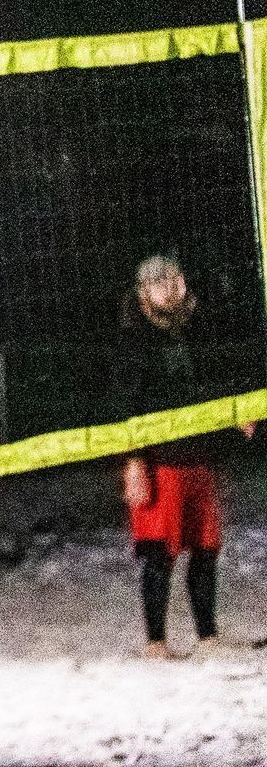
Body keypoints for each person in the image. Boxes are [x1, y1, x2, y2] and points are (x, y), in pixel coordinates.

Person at [116, 254, 249, 659]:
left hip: (200, 456)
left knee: (206, 549)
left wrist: (238, 410)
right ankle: (156, 644)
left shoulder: (201, 327)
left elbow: (221, 376)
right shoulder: (134, 340)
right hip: (161, 462)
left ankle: (208, 637)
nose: (170, 287)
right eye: (159, 283)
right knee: (160, 552)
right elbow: (126, 405)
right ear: (143, 295)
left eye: (175, 278)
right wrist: (133, 461)